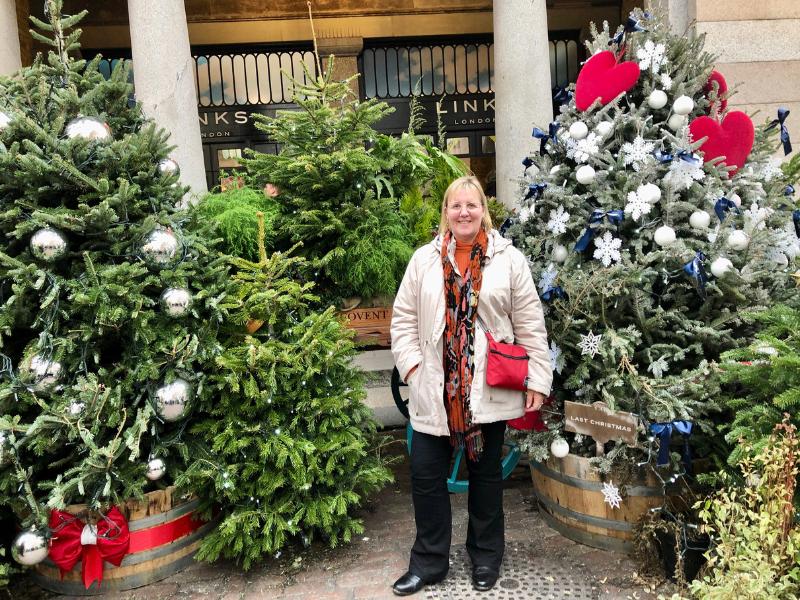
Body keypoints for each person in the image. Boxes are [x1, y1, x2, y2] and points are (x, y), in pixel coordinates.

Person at [390, 175, 553, 595]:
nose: (464, 212)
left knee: (485, 478)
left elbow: (530, 323)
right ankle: (429, 563)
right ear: (445, 212)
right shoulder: (423, 260)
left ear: (484, 210)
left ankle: (485, 557)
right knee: (425, 476)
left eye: (472, 205)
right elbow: (403, 320)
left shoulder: (509, 259)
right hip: (434, 390)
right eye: (455, 205)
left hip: (487, 389)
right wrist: (411, 369)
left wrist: (537, 377)